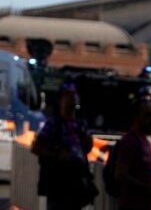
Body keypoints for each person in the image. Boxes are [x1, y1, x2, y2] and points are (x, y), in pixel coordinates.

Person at [32, 82, 97, 210]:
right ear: (60, 99)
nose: (72, 98)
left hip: (76, 185)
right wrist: (56, 155)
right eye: (68, 94)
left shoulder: (80, 124)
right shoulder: (53, 124)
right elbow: (36, 147)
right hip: (58, 185)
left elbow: (86, 148)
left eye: (74, 95)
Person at [114, 100, 151, 210]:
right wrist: (148, 187)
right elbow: (120, 175)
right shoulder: (130, 141)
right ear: (137, 117)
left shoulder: (144, 139)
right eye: (148, 115)